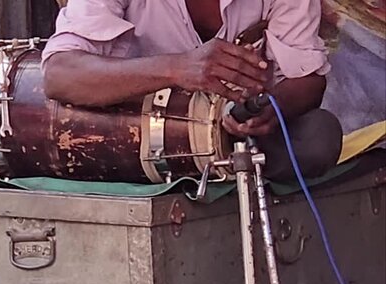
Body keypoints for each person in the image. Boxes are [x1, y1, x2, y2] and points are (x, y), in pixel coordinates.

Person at [41, 0, 343, 181]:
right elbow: (59, 74)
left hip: (237, 142)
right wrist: (177, 68)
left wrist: (271, 109)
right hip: (139, 144)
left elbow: (309, 79)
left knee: (319, 135)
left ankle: (221, 170)